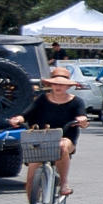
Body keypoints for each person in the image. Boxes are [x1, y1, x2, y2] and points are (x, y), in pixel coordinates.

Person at [15, 65, 89, 197]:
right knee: (31, 180)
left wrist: (82, 120)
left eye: (62, 84)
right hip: (41, 140)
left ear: (68, 86)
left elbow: (82, 118)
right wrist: (18, 119)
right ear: (51, 85)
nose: (58, 87)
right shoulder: (42, 99)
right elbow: (26, 114)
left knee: (61, 146)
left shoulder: (77, 102)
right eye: (55, 84)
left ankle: (64, 184)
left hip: (66, 139)